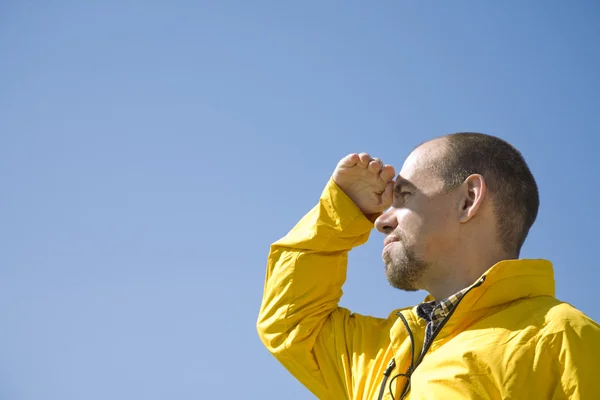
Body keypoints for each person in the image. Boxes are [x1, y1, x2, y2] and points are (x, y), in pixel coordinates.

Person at [256, 132, 600, 399]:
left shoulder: (562, 338)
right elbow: (290, 324)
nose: (380, 221)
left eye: (403, 196)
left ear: (468, 200)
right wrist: (342, 211)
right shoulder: (388, 352)